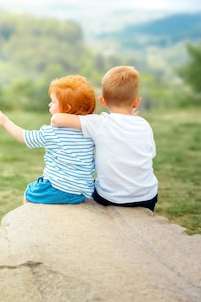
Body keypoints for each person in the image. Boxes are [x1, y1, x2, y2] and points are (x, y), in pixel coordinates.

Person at [51, 66, 158, 211]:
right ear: (136, 102)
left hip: (110, 198)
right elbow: (150, 154)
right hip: (146, 197)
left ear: (102, 100)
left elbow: (57, 119)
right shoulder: (144, 125)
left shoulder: (99, 123)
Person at [0, 75, 96, 204]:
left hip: (58, 189)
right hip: (82, 191)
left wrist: (6, 122)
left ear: (67, 108)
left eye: (53, 101)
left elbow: (24, 136)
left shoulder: (52, 132)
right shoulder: (91, 130)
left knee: (29, 193)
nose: (49, 104)